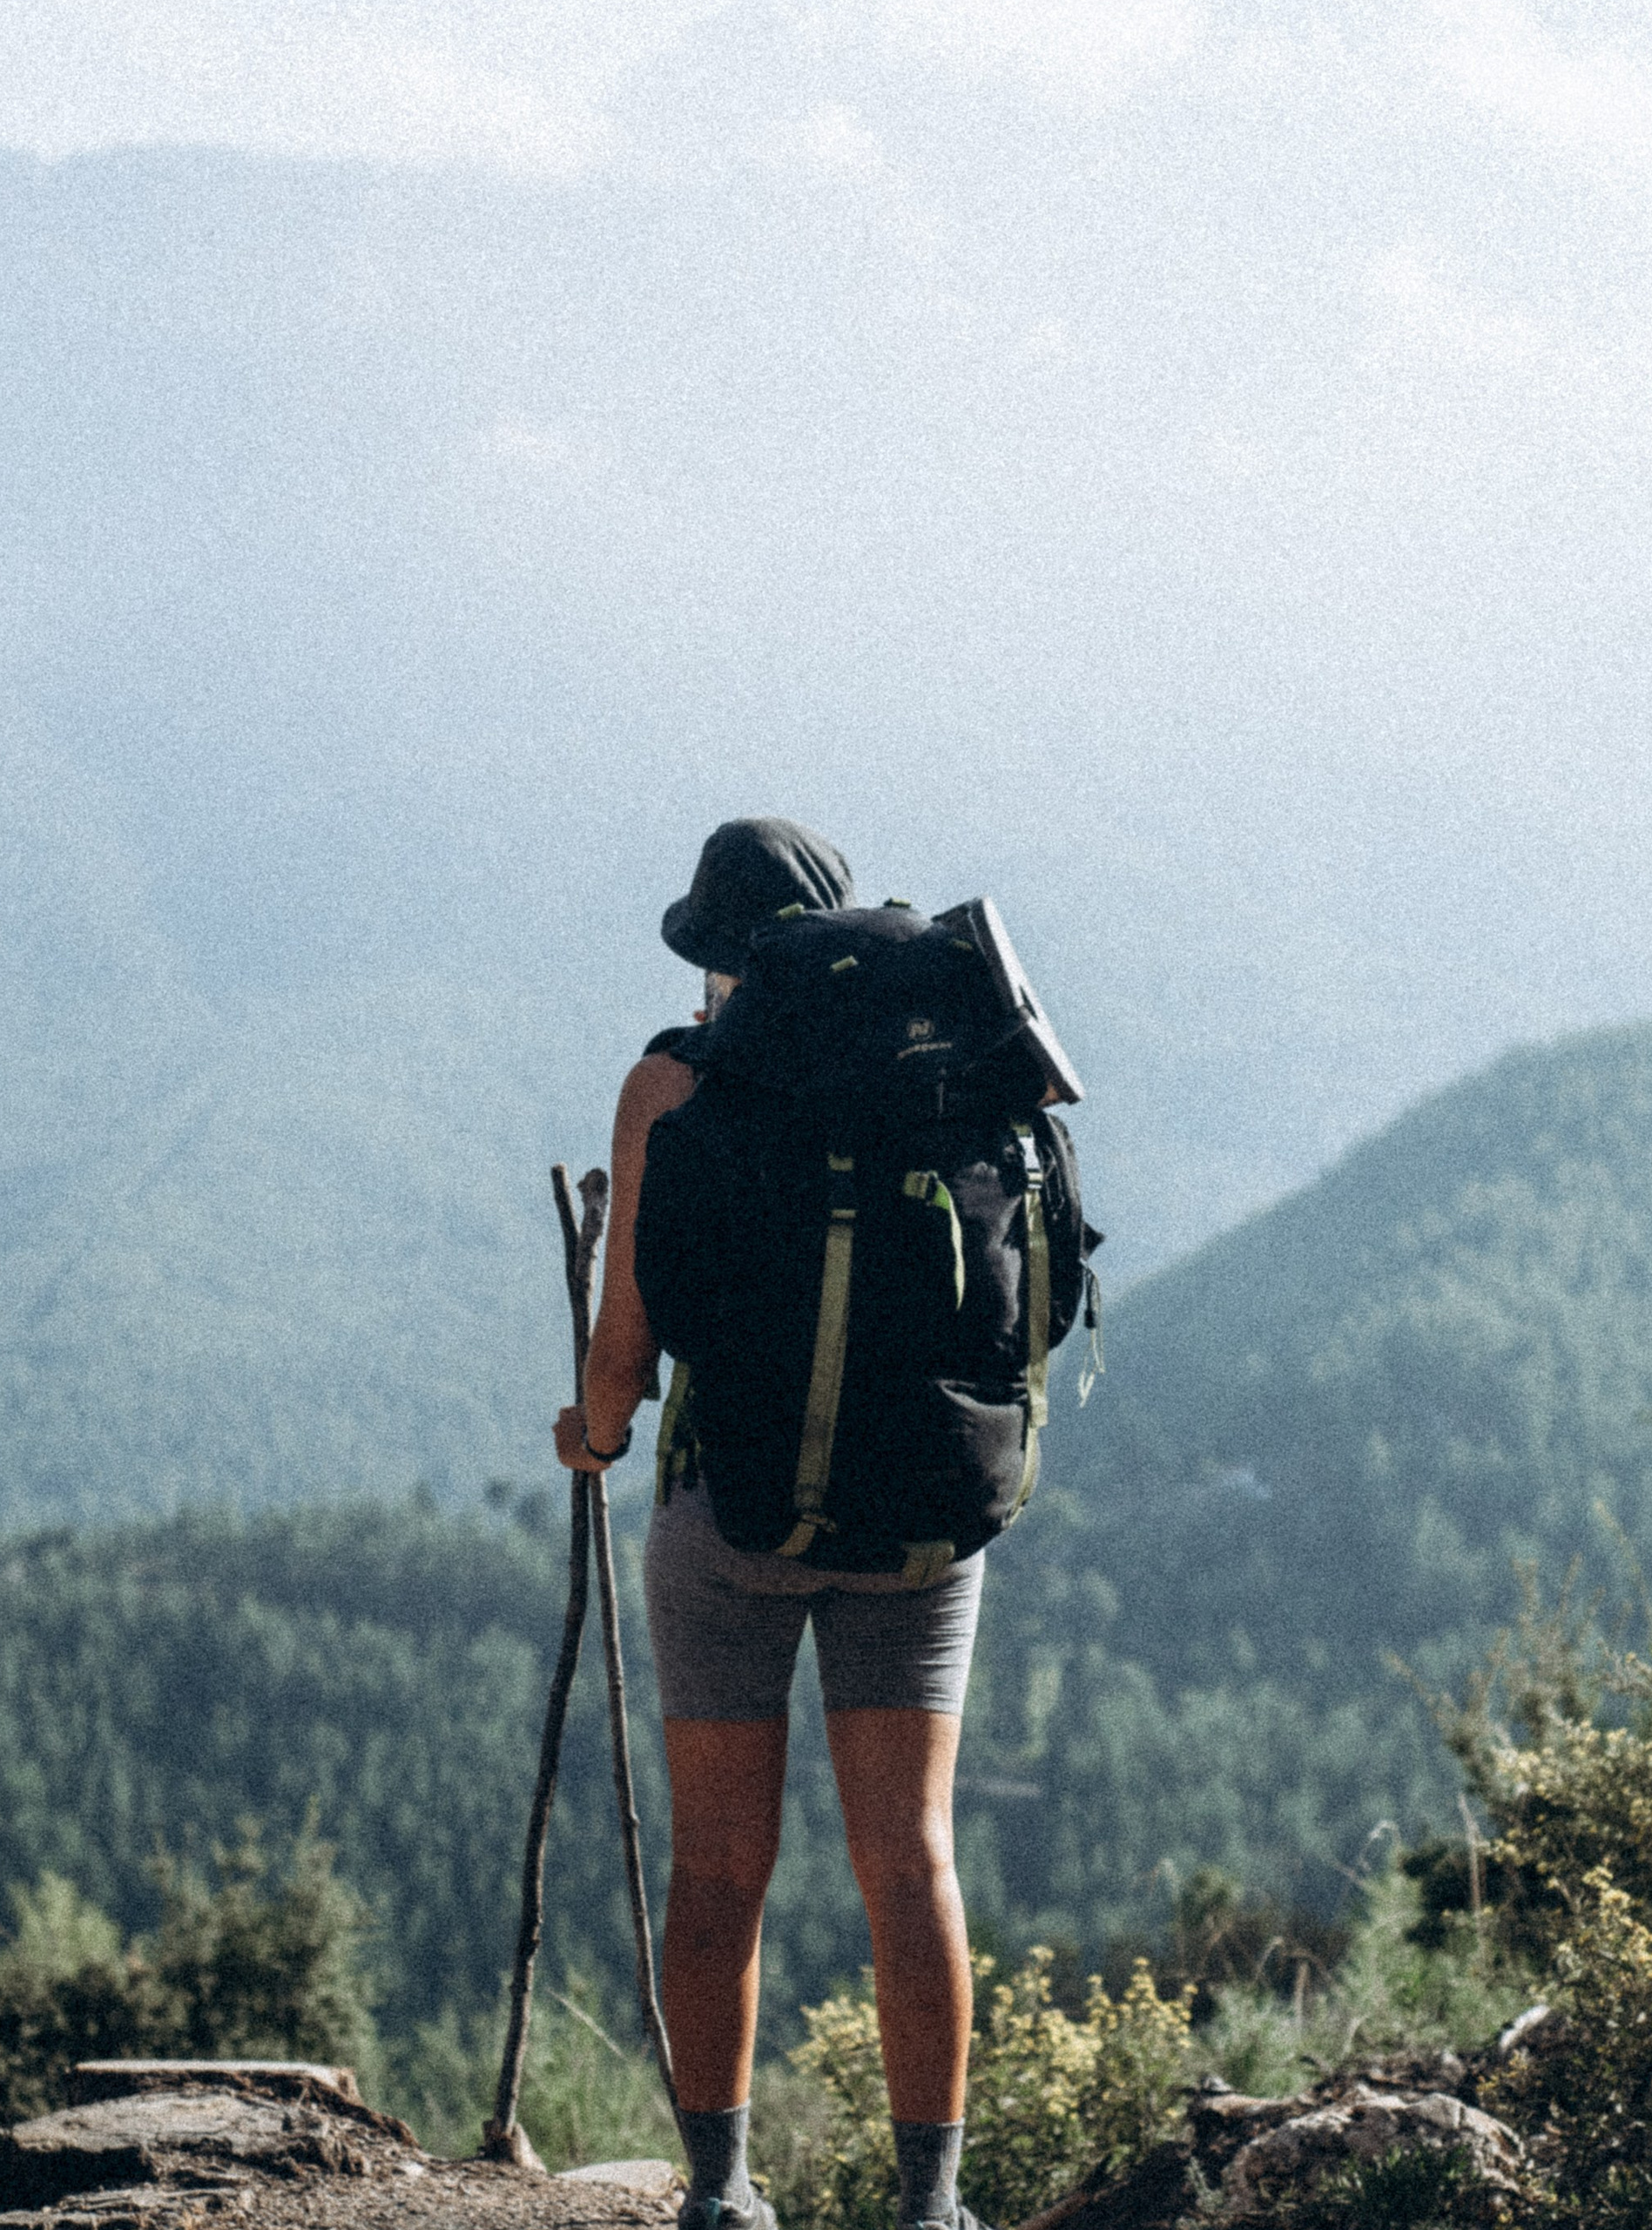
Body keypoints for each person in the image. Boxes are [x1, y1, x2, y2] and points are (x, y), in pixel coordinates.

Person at [555, 817, 992, 2230]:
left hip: (730, 1525)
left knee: (723, 1866)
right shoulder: (939, 1066)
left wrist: (595, 1431)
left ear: (712, 956)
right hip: (924, 1524)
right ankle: (931, 2205)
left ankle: (723, 2190)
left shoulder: (671, 1085)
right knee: (910, 1861)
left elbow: (626, 1343)